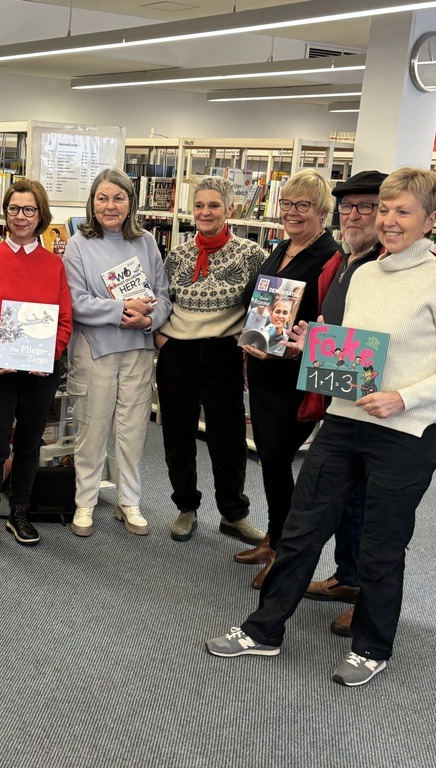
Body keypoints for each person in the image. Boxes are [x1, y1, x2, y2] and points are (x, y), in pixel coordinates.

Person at [207, 167, 436, 687]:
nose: (389, 221)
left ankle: (371, 647)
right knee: (301, 531)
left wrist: (405, 397)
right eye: (385, 210)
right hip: (343, 421)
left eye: (402, 212)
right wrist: (310, 345)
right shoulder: (365, 274)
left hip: (405, 434)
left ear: (430, 220)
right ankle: (264, 630)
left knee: (381, 544)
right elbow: (354, 351)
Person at [234, 169, 339, 588]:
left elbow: (329, 319)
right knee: (270, 460)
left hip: (296, 376)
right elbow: (257, 300)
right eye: (288, 203)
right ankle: (274, 537)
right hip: (264, 369)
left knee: (279, 459)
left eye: (304, 205)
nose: (292, 212)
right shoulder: (281, 247)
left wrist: (295, 344)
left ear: (322, 211)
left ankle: (286, 553)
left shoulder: (331, 257)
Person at [154, 176, 266, 544]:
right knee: (177, 436)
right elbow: (161, 300)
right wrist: (159, 336)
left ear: (229, 209)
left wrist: (250, 347)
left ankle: (233, 514)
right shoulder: (177, 255)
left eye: (214, 205)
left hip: (223, 352)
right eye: (199, 205)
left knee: (228, 438)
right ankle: (186, 507)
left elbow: (263, 306)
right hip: (178, 353)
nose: (205, 212)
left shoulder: (251, 255)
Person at [300, 170, 387, 637]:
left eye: (366, 207)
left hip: (379, 408)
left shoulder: (383, 266)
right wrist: (311, 342)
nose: (354, 215)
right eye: (347, 207)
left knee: (374, 506)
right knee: (350, 500)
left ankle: (369, 598)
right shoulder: (349, 259)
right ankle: (349, 577)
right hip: (344, 400)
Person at [63, 168, 171, 537]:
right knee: (92, 429)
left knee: (133, 430)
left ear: (130, 203)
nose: (110, 206)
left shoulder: (147, 242)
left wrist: (149, 319)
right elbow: (75, 301)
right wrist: (121, 310)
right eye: (103, 198)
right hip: (96, 351)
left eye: (118, 198)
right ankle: (85, 502)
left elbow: (163, 295)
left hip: (139, 349)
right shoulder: (78, 244)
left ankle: (129, 501)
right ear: (92, 203)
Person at [0, 179, 72, 554]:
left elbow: (64, 321)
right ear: (6, 213)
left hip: (40, 373)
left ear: (40, 215)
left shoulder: (54, 265)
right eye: (14, 209)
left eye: (29, 209)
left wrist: (50, 355)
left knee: (29, 445)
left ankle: (20, 514)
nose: (21, 216)